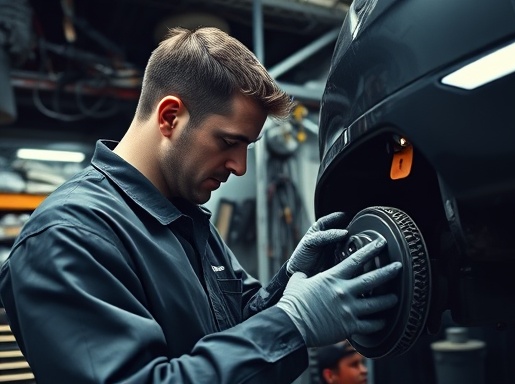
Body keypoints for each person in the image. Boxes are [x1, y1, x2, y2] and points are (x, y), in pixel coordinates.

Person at [0, 27, 402, 383]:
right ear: (170, 116)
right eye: (229, 142)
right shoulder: (70, 235)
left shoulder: (188, 219)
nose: (240, 167)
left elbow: (235, 326)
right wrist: (293, 323)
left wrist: (287, 285)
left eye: (247, 147)